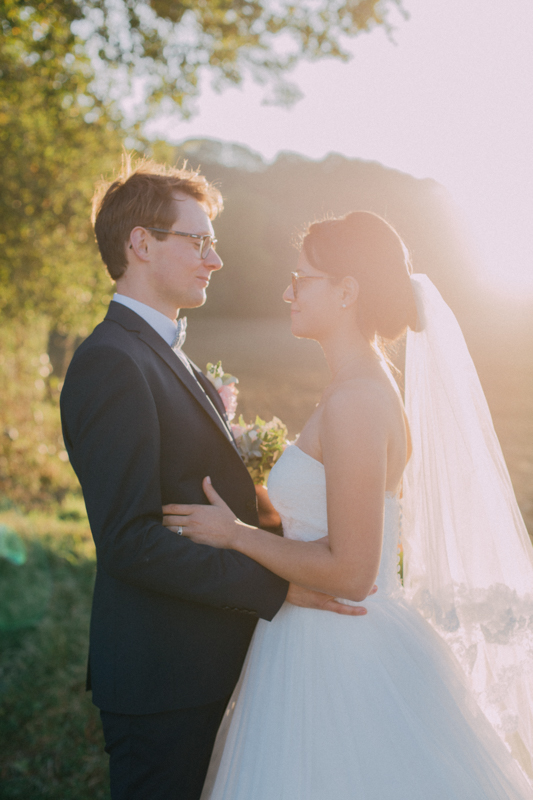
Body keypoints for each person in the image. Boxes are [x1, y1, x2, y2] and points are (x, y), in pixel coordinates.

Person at [163, 211, 533, 798]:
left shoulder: (358, 402)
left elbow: (353, 573)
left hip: (339, 652)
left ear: (346, 291)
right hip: (311, 636)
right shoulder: (354, 388)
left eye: (300, 278)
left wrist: (234, 533)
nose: (287, 292)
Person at [59, 160, 370, 800]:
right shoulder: (111, 362)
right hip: (162, 682)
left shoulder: (167, 355)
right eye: (198, 241)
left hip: (205, 667)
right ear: (141, 244)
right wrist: (277, 588)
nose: (215, 259)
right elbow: (131, 540)